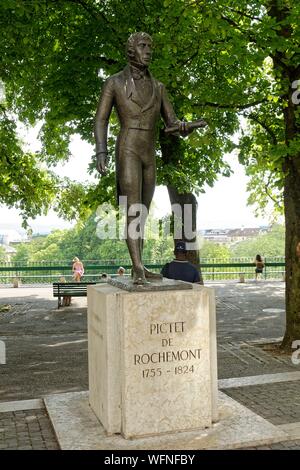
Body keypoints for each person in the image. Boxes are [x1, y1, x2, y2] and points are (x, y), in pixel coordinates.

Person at [94, 32, 207, 285]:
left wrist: (187, 127)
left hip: (149, 152)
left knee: (142, 213)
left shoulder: (159, 87)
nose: (148, 51)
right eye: (143, 46)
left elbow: (172, 124)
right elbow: (100, 119)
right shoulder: (114, 83)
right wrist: (101, 151)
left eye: (150, 47)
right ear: (131, 50)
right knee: (133, 210)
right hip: (128, 148)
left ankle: (140, 265)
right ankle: (136, 267)